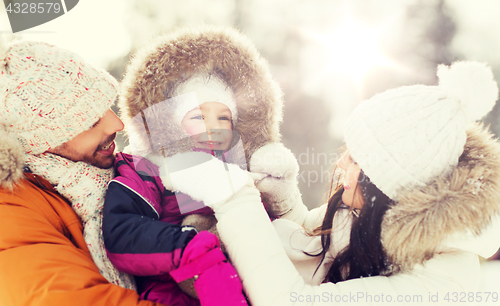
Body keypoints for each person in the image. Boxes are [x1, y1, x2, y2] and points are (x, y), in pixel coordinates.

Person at [160, 61, 500, 305]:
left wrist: (233, 196)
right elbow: (314, 243)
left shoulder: (441, 286)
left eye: (355, 161)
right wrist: (283, 199)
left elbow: (290, 300)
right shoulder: (374, 214)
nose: (340, 165)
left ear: (387, 186)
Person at [102, 26, 285, 306]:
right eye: (199, 117)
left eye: (224, 118)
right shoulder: (147, 167)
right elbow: (122, 232)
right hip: (171, 289)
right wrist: (188, 244)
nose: (214, 127)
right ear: (171, 123)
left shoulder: (238, 169)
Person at [0, 40, 163, 305]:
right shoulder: (9, 210)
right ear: (41, 141)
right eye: (90, 122)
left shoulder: (120, 177)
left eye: (107, 106)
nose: (117, 123)